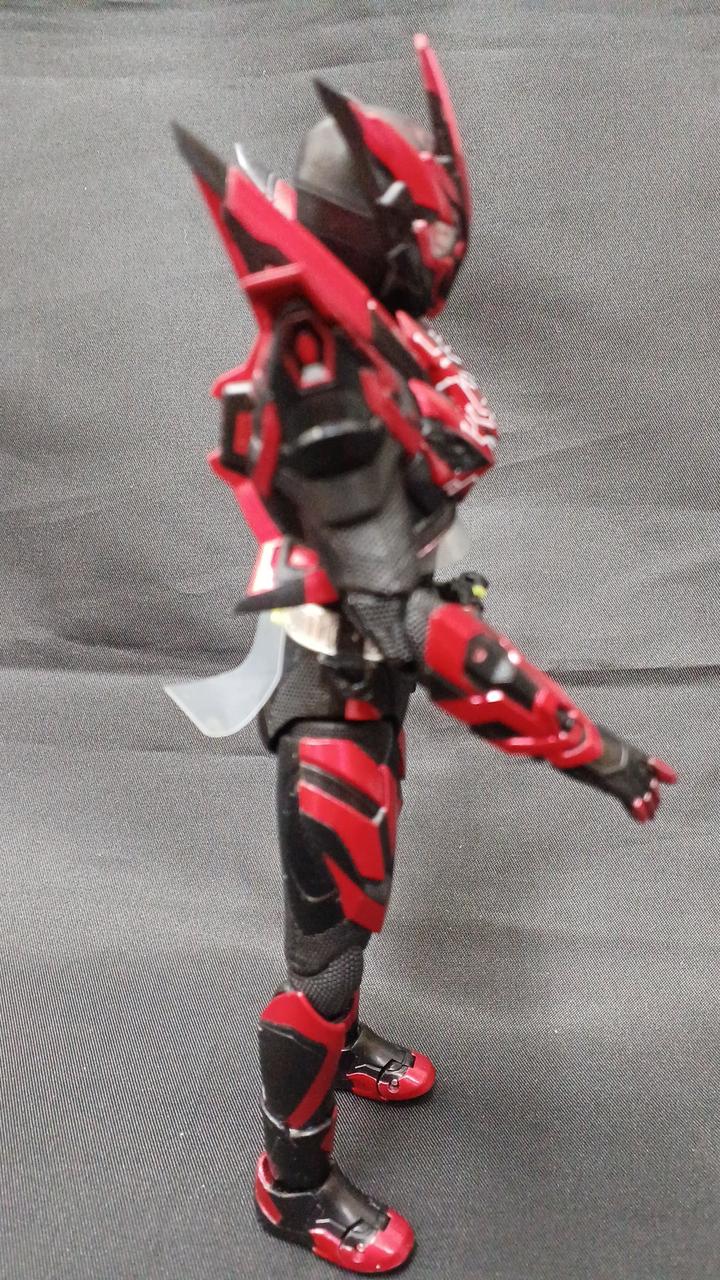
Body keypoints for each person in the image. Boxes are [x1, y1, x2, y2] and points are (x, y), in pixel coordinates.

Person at [172, 34, 676, 1274]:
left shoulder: (369, 343)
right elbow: (419, 624)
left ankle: (341, 1043)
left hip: (371, 664)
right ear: (371, 232)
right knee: (326, 951)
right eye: (419, 225)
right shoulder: (328, 394)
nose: (440, 246)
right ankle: (291, 1179)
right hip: (337, 681)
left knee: (362, 903)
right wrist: (592, 747)